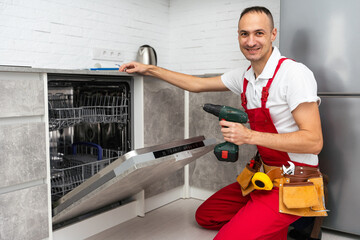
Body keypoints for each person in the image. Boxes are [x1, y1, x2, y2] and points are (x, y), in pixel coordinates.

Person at [120, 6, 326, 240]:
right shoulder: (245, 76)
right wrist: (150, 69)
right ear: (238, 36)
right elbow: (196, 85)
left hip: (294, 181)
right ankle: (264, 221)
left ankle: (285, 219)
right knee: (206, 216)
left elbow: (314, 141)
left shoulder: (294, 74)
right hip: (264, 178)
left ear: (273, 34)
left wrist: (248, 136)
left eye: (259, 33)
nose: (250, 41)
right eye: (244, 34)